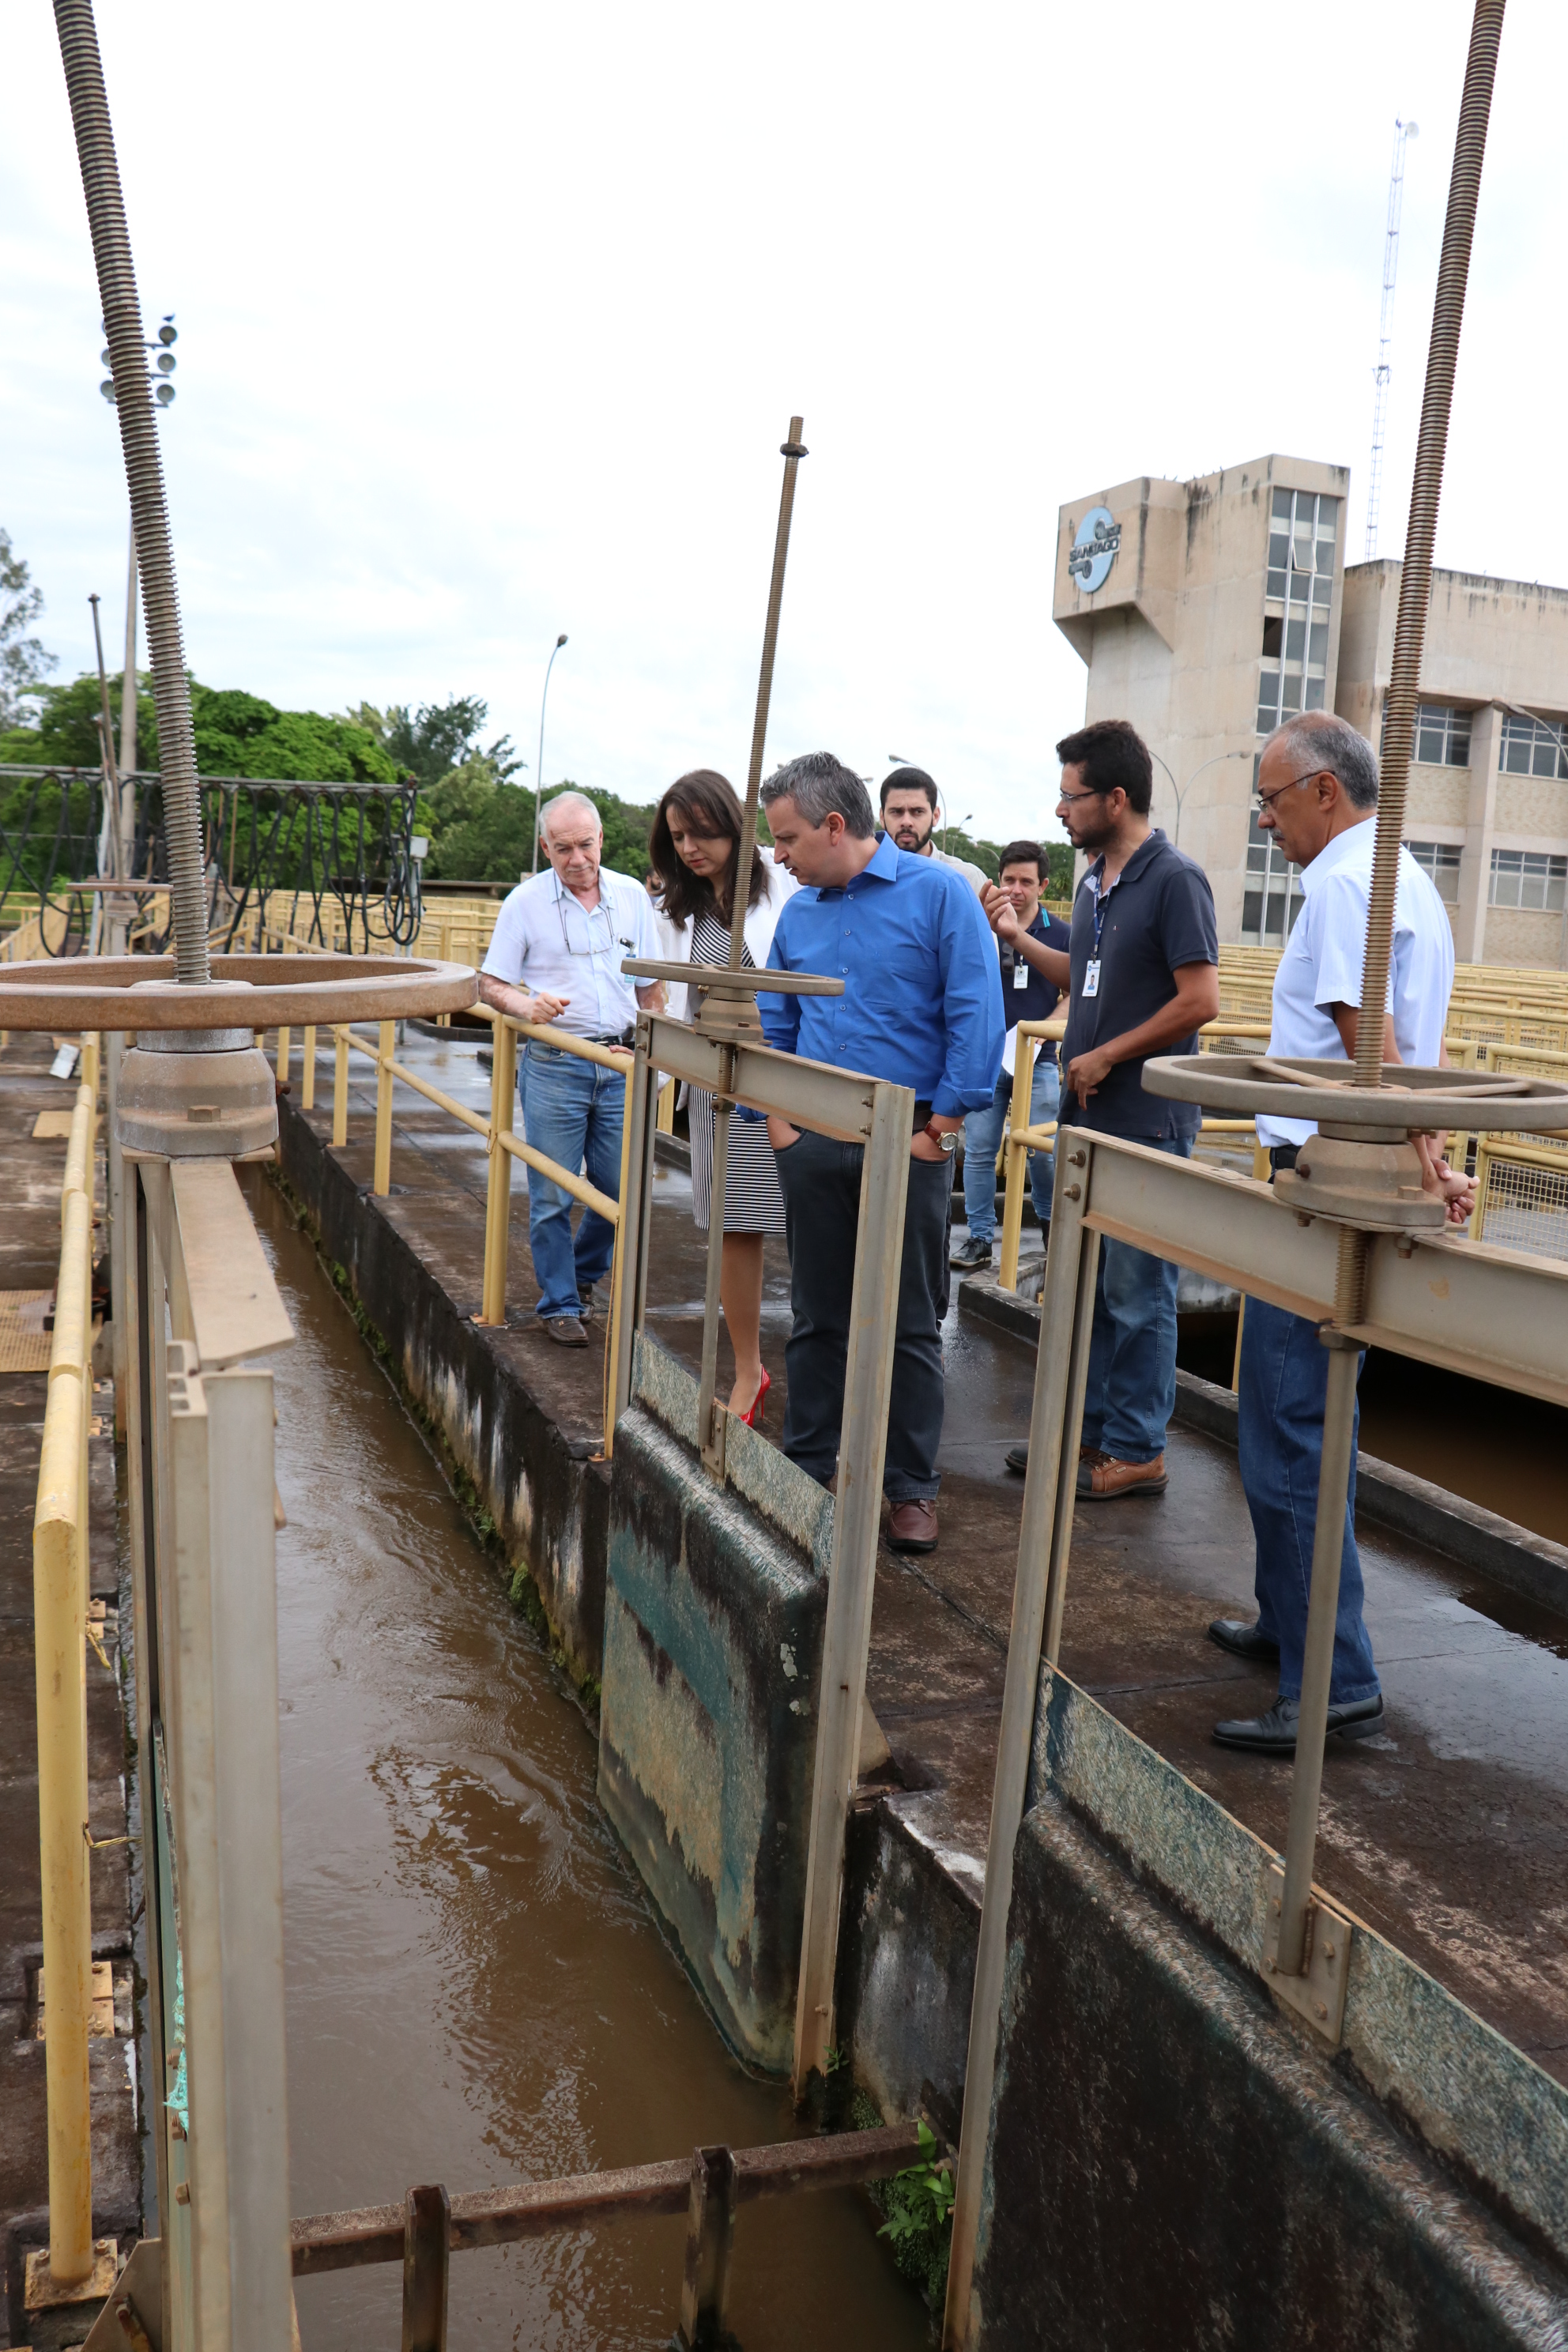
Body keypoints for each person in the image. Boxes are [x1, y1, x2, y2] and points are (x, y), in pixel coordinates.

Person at [1212, 710, 1472, 1755]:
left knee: (1287, 1430)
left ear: (1324, 790)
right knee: (1311, 1419)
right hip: (1354, 1170)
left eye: (1272, 802)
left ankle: (1332, 1677)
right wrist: (1431, 1153)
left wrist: (1422, 1155)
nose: (1267, 822)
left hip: (1327, 1178)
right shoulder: (1403, 875)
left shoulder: (1337, 882)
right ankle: (1288, 1623)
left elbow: (1368, 1041)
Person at [757, 752, 1003, 1553]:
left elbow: (974, 1010)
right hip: (813, 1142)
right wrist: (782, 1127)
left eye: (788, 838)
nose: (780, 856)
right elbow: (777, 1017)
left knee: (908, 1326)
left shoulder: (938, 896)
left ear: (834, 826)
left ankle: (911, 1488)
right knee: (816, 1319)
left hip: (909, 1146)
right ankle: (806, 1464)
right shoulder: (799, 914)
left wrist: (942, 1130)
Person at [1003, 720, 1219, 1497]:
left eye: (1072, 797)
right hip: (1087, 1121)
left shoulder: (1173, 880)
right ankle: (1089, 1433)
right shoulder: (1096, 883)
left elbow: (1200, 1000)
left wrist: (1105, 1054)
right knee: (1086, 1283)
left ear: (1115, 798)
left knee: (1137, 1293)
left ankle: (1137, 1447)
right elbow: (1081, 971)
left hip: (1142, 1123)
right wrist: (1020, 938)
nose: (1060, 811)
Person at [477, 792, 664, 1347]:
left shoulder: (632, 896)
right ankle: (558, 1303)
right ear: (546, 848)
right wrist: (525, 1008)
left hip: (622, 1064)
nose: (577, 859)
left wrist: (651, 1050)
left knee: (618, 1189)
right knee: (552, 1193)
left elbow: (652, 988)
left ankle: (583, 1278)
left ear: (601, 839)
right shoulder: (525, 902)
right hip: (557, 1062)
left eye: (585, 845)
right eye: (563, 849)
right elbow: (489, 984)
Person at [649, 768, 797, 1426]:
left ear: (732, 826)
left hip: (786, 1080)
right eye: (678, 836)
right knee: (737, 1230)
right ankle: (747, 1371)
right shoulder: (677, 908)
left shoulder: (784, 884)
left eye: (702, 832)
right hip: (718, 1087)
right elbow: (674, 1001)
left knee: (813, 1229)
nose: (689, 848)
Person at [952, 839, 1072, 1272]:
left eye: (1026, 881)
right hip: (986, 1058)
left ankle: (1051, 1229)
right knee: (981, 1149)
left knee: (1042, 1150)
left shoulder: (1059, 934)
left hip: (1036, 1058)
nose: (1016, 889)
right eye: (1008, 880)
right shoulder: (978, 927)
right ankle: (980, 1237)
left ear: (1043, 884)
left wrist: (1044, 1034)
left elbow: (1073, 994)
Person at [880, 767, 988, 895]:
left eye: (918, 812)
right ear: (882, 817)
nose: (907, 822)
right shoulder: (862, 877)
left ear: (935, 816)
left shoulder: (967, 879)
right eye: (897, 812)